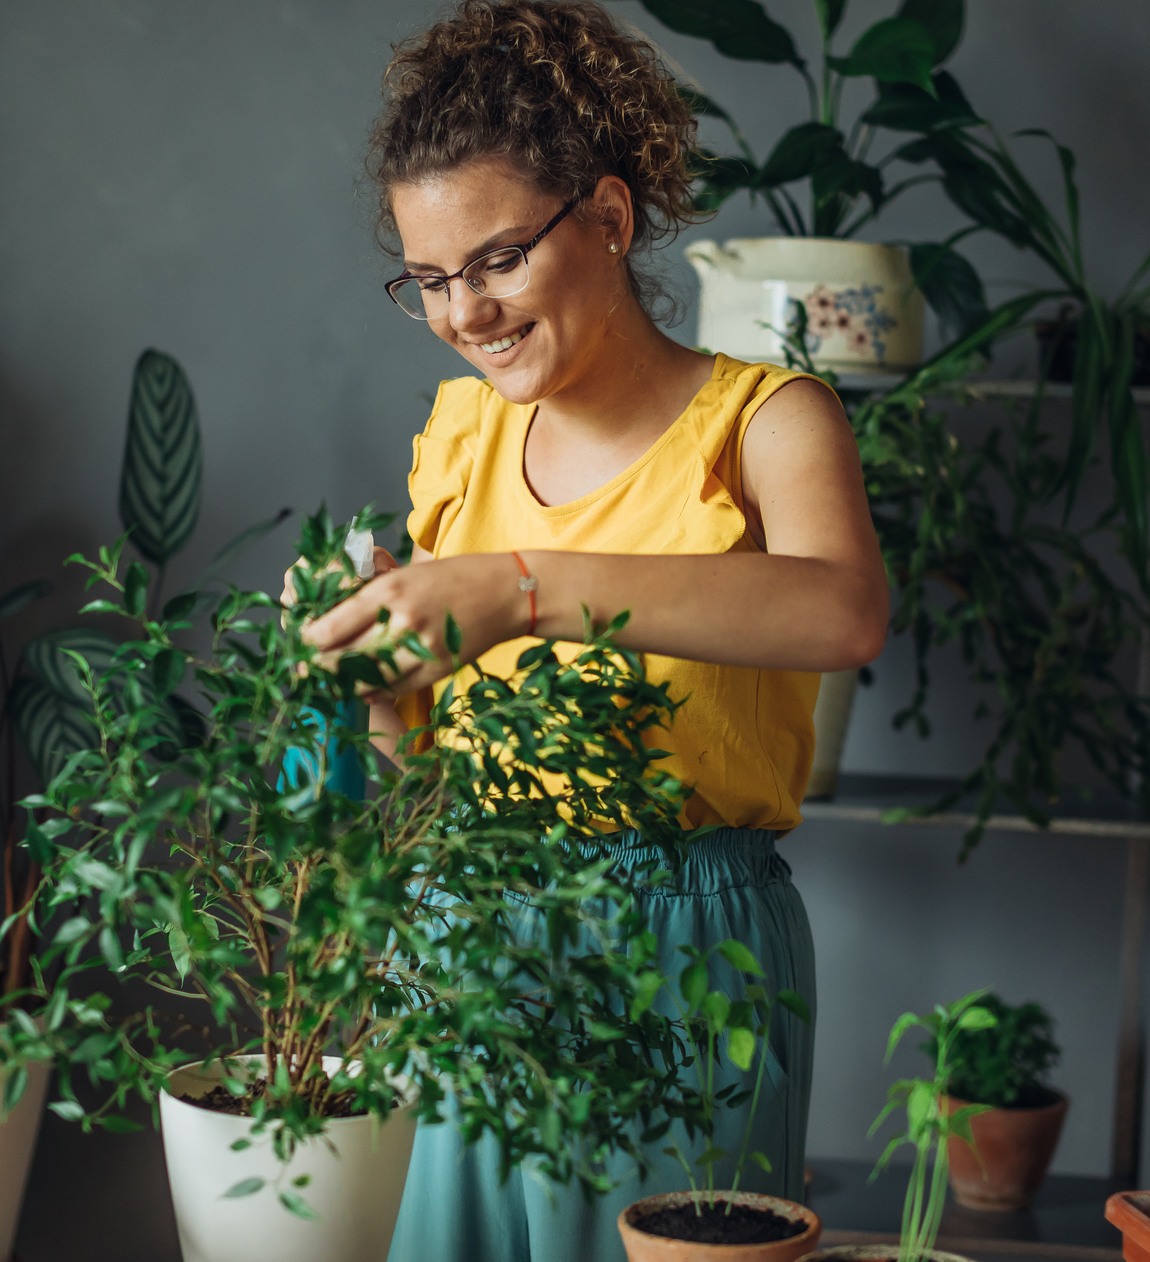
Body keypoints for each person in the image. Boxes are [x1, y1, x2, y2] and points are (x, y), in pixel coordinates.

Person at [296, 2, 889, 1258]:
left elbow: (840, 610)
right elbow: (409, 762)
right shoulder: (459, 436)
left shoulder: (766, 422)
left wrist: (516, 586)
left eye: (499, 258)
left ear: (609, 219)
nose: (466, 311)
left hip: (687, 946)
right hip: (464, 936)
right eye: (431, 278)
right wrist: (363, 683)